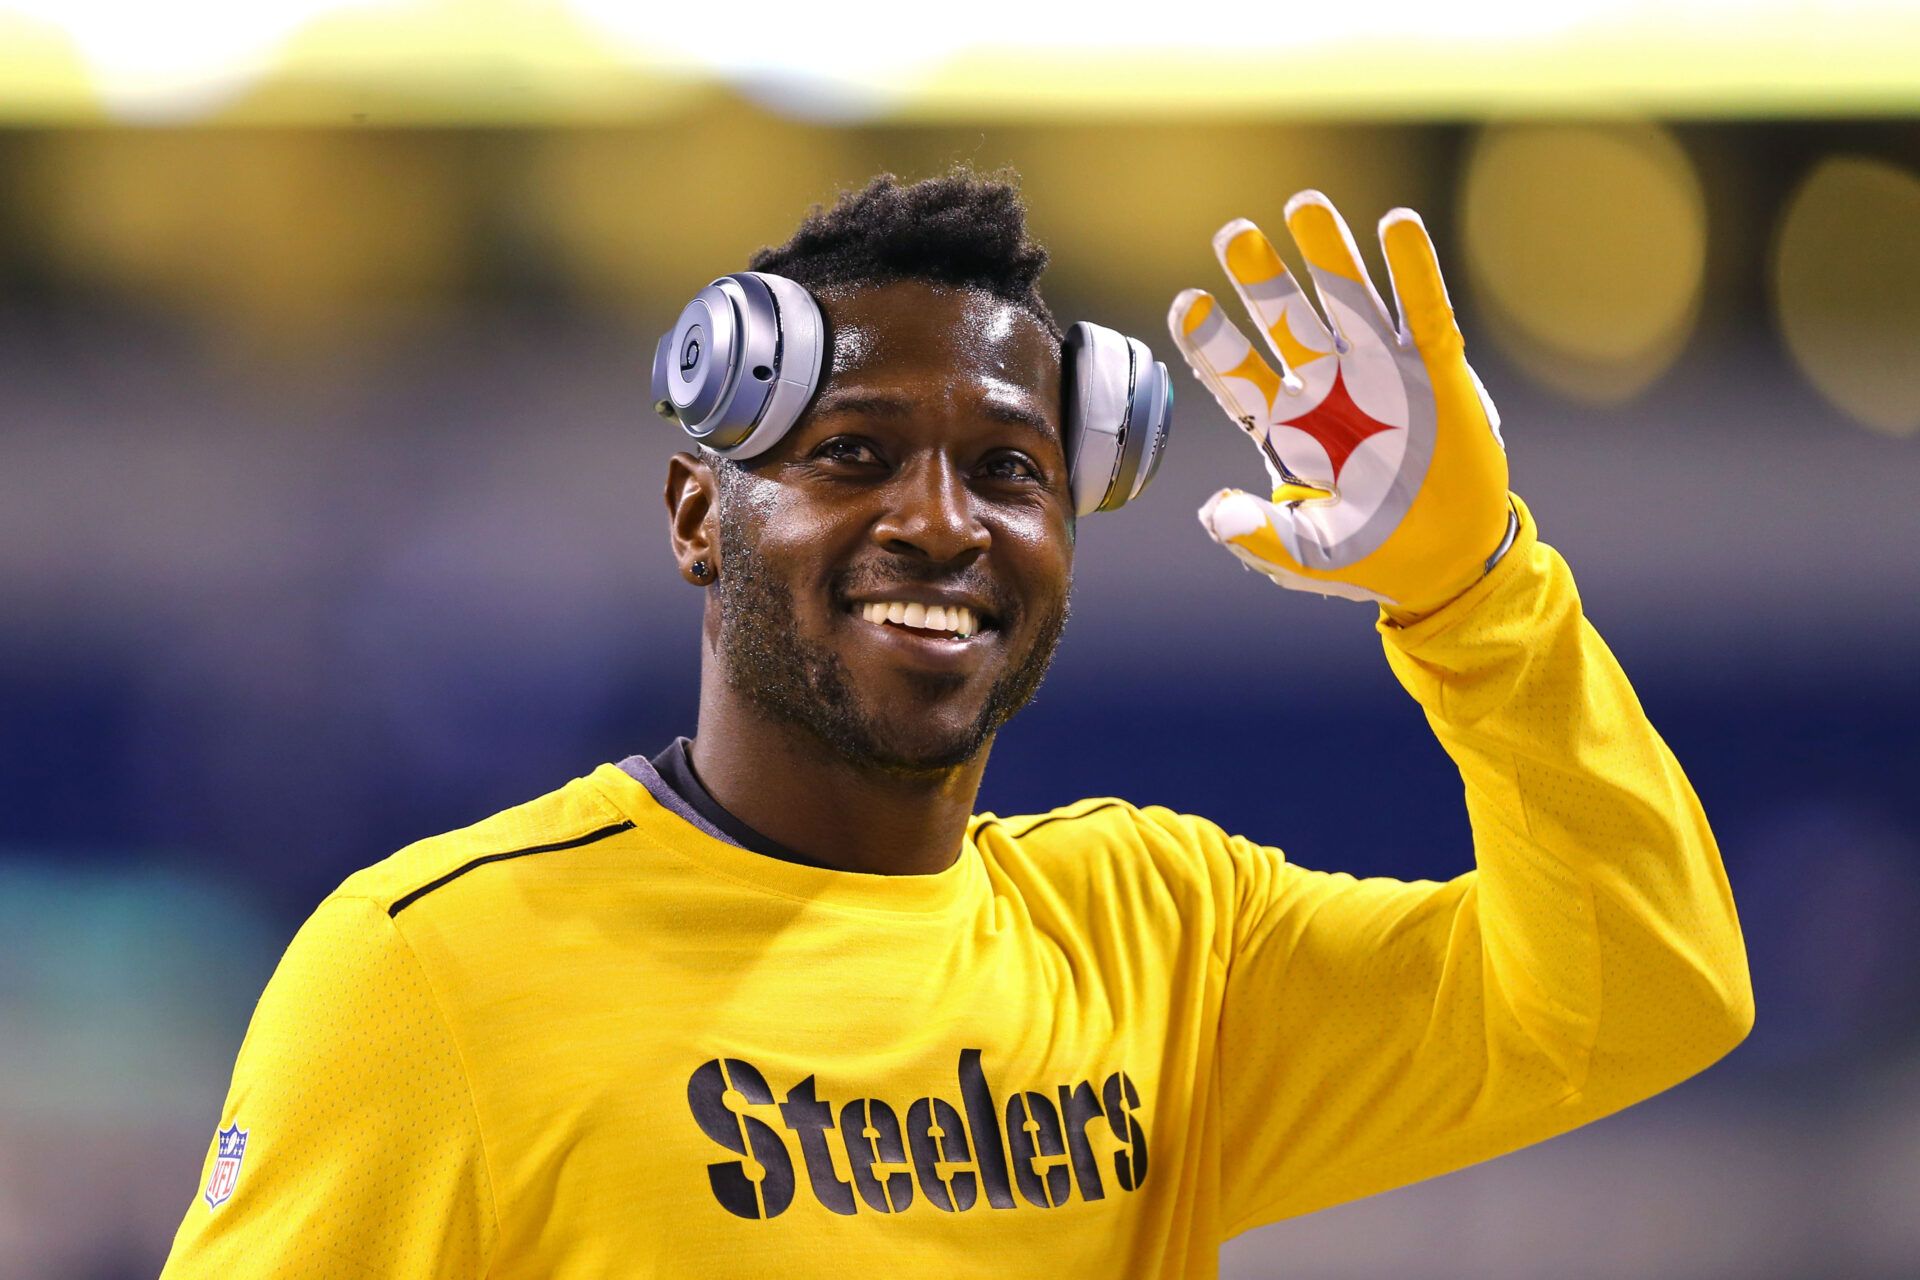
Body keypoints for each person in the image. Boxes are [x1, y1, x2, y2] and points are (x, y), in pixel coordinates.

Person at [161, 170, 1751, 1278]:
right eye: (854, 454)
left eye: (1008, 470)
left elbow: (1645, 994)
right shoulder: (429, 971)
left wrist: (1478, 595)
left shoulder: (1167, 947)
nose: (942, 524)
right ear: (695, 518)